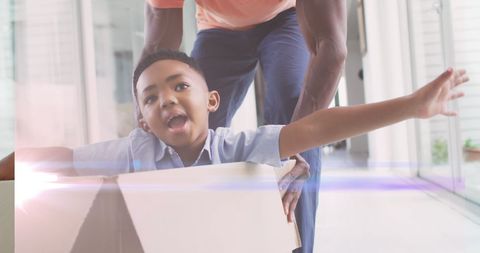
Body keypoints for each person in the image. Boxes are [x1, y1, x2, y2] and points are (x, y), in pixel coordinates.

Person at [12, 51, 469, 251]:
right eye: (149, 98)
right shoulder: (134, 150)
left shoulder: (237, 148)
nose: (165, 100)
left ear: (212, 101)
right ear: (143, 119)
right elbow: (60, 157)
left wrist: (411, 106)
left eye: (179, 86)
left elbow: (313, 128)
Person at [142, 2, 347, 251]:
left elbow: (331, 49)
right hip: (218, 26)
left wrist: (297, 150)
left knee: (291, 109)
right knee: (189, 124)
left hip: (288, 15)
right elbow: (155, 53)